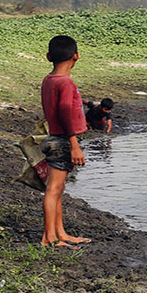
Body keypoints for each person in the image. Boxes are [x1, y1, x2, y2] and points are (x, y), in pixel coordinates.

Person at [40, 35, 91, 248]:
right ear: (76, 56)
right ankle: (49, 238)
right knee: (53, 189)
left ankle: (60, 233)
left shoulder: (49, 79)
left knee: (58, 189)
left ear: (49, 56)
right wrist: (74, 144)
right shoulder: (66, 82)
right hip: (62, 140)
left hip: (55, 137)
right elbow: (64, 112)